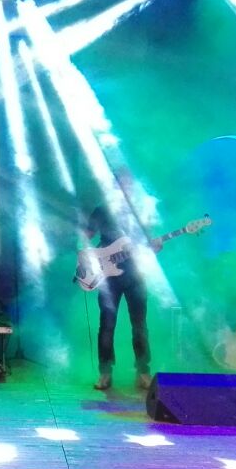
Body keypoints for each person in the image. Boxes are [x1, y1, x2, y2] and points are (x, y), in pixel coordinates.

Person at [83, 166, 154, 392]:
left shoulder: (140, 211)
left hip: (135, 274)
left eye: (128, 182)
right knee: (107, 324)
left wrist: (154, 245)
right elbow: (84, 238)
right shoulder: (102, 211)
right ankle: (105, 373)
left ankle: (143, 372)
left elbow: (149, 240)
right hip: (108, 278)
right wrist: (89, 258)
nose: (125, 186)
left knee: (139, 325)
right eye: (120, 182)